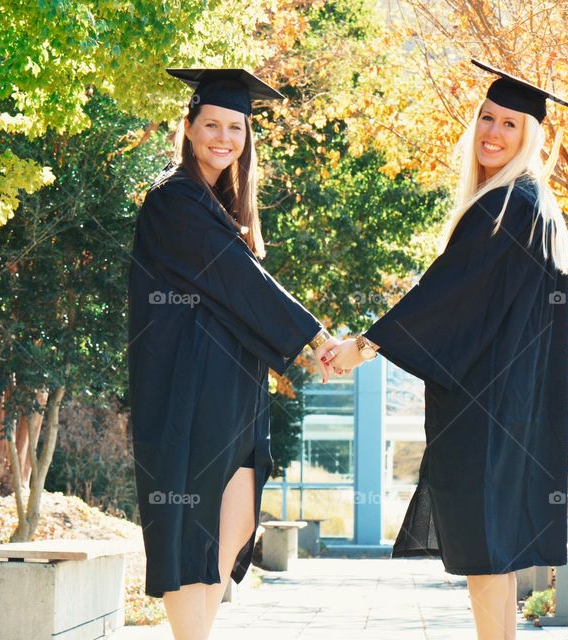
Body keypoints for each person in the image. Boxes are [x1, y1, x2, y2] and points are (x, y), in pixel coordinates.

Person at [325, 59, 568, 640]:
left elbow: (446, 295)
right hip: (511, 408)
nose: (493, 132)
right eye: (487, 118)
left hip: (485, 411)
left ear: (530, 137)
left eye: (510, 125)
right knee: (493, 553)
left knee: (486, 550)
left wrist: (363, 346)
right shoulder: (532, 205)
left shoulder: (508, 205)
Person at [127, 68, 339, 640]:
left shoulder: (218, 207)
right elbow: (242, 284)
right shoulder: (174, 199)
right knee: (189, 531)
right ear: (189, 127)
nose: (224, 138)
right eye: (212, 124)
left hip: (231, 388)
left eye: (237, 128)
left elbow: (239, 287)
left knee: (237, 520)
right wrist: (318, 340)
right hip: (188, 389)